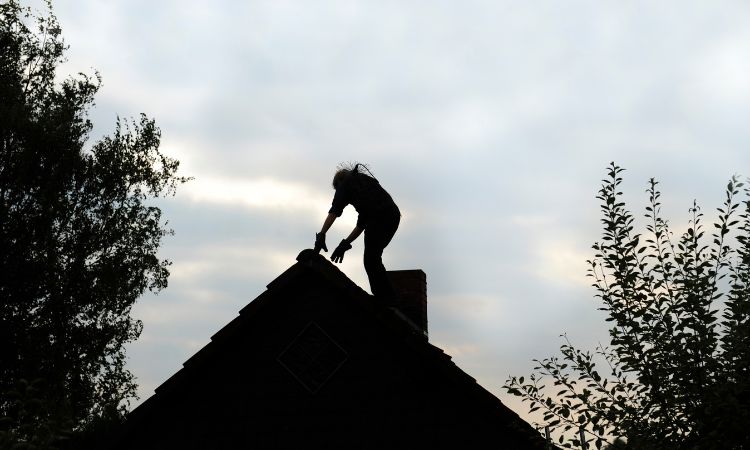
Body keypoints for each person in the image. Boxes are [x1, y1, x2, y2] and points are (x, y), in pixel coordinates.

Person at [314, 163, 401, 301]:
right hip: (393, 217)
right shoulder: (364, 188)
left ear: (338, 184)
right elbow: (361, 224)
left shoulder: (344, 184)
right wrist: (345, 243)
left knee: (371, 259)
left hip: (380, 218)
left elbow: (335, 211)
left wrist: (322, 234)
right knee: (373, 257)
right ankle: (388, 297)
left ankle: (386, 299)